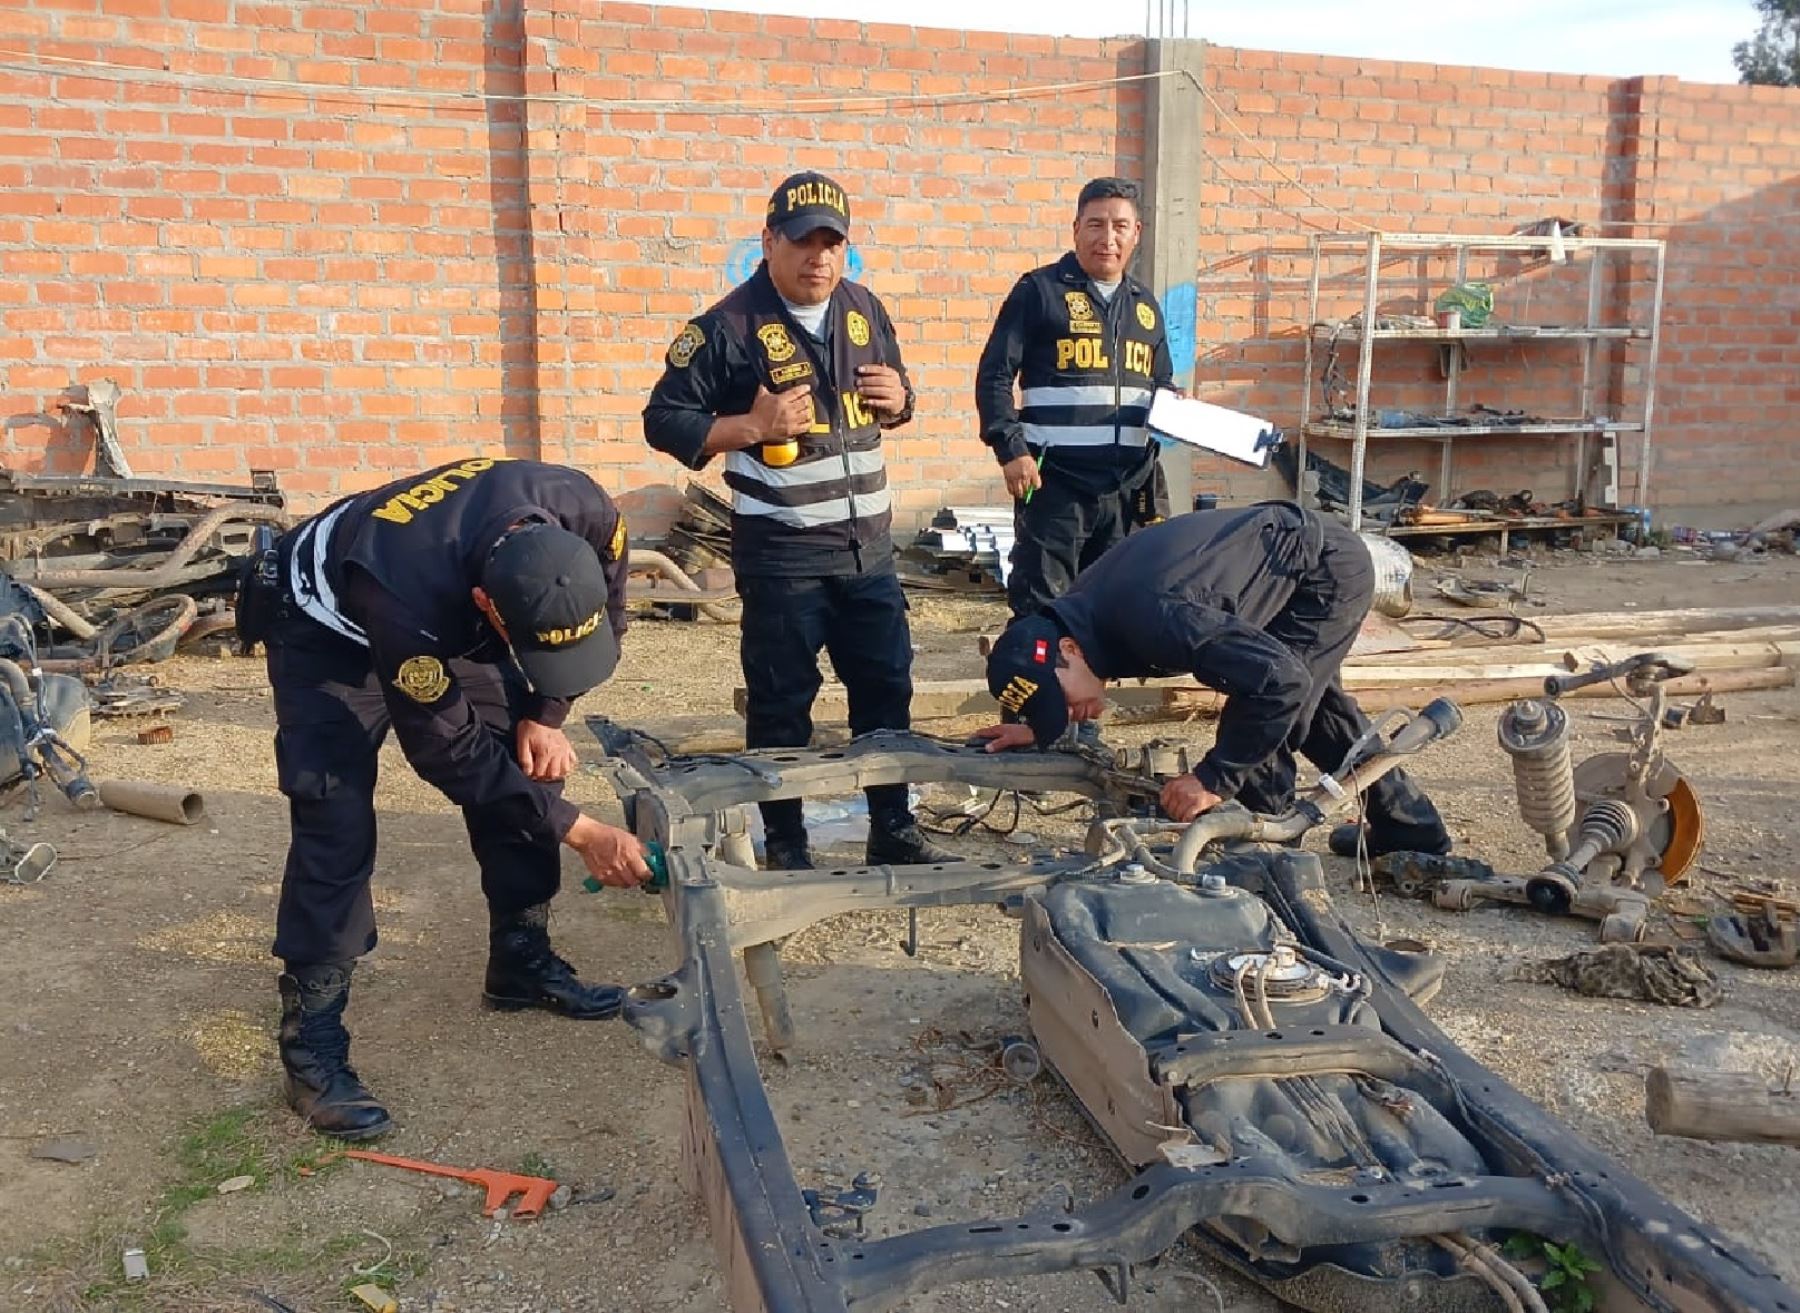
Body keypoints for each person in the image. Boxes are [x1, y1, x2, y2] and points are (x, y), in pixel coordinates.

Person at [240, 456, 651, 1141]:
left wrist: (545, 713)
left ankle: (520, 958)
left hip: (438, 599)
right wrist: (579, 831)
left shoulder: (590, 514)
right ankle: (311, 1043)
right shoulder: (406, 591)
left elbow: (605, 615)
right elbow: (450, 752)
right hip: (324, 625)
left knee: (525, 760)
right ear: (488, 605)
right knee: (333, 814)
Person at [643, 170, 954, 871]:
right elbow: (663, 421)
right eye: (803, 240)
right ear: (768, 241)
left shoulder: (863, 308)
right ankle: (785, 841)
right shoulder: (724, 328)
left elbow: (900, 398)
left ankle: (892, 827)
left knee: (885, 691)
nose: (818, 256)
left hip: (868, 551)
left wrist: (902, 399)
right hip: (783, 557)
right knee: (782, 705)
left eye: (831, 242)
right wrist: (749, 425)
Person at [976, 502, 1452, 858]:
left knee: (1273, 701)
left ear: (1069, 650)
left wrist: (1212, 778)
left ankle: (1266, 851)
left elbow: (1279, 683)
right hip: (1272, 570)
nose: (1070, 713)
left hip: (1318, 571)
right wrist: (1039, 725)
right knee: (1315, 707)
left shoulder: (1157, 618)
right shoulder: (1079, 619)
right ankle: (1409, 828)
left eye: (1061, 700)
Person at [975, 176, 1176, 624]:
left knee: (1110, 611)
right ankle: (1040, 691)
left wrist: (1185, 413)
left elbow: (1162, 385)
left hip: (1124, 490)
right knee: (1044, 612)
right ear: (1076, 229)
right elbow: (994, 374)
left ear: (1136, 233)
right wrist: (1011, 450)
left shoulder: (1146, 306)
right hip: (1055, 487)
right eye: (1096, 224)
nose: (1108, 238)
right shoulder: (1039, 292)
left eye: (1120, 226)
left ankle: (1088, 695)